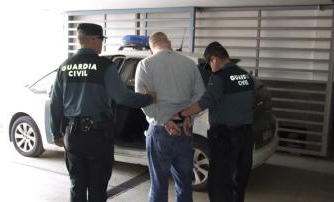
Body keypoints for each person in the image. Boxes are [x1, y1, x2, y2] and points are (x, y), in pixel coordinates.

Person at [49, 23, 156, 202]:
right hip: (98, 136)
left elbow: (55, 103)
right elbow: (123, 97)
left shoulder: (65, 66)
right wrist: (148, 98)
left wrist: (55, 133)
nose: (102, 44)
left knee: (77, 185)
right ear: (92, 39)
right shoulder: (105, 66)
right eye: (100, 39)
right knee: (98, 187)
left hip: (73, 136)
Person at [170, 42, 254, 202]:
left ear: (214, 59)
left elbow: (204, 102)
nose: (210, 68)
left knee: (220, 185)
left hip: (226, 139)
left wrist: (182, 113)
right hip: (246, 138)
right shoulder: (245, 75)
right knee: (239, 182)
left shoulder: (219, 77)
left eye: (209, 63)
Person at [135, 32, 205, 202]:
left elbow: (142, 100)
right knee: (184, 185)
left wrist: (164, 120)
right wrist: (188, 117)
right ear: (170, 43)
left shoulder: (145, 65)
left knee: (159, 185)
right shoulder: (189, 64)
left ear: (151, 49)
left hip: (160, 132)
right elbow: (200, 97)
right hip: (184, 130)